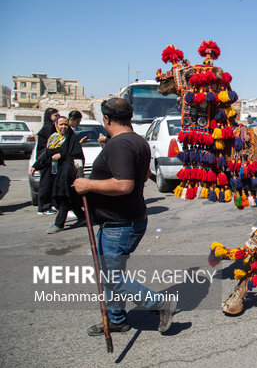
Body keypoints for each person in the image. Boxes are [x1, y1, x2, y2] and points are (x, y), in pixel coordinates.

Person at [73, 98, 176, 335]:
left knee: (113, 277)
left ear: (106, 119)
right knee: (111, 274)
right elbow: (137, 174)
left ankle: (160, 304)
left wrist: (87, 184)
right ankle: (116, 318)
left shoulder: (120, 144)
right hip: (125, 219)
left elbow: (124, 185)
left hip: (120, 224)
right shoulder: (136, 141)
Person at [30, 116, 86, 233]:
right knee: (70, 198)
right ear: (56, 125)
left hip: (67, 174)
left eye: (66, 124)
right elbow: (47, 154)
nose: (63, 127)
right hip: (56, 173)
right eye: (61, 124)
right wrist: (35, 166)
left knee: (63, 198)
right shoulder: (54, 138)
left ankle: (59, 224)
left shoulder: (72, 138)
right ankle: (83, 217)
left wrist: (62, 155)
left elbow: (77, 155)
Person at [36, 108, 60, 214]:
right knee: (46, 184)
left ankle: (48, 205)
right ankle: (44, 207)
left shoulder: (49, 127)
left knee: (49, 183)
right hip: (46, 159)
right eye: (55, 115)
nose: (57, 117)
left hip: (47, 159)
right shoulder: (49, 127)